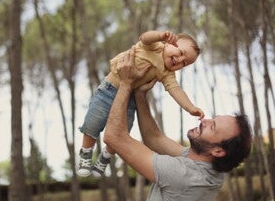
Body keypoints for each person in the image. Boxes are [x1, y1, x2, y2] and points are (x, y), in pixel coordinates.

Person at [103, 46, 252, 200]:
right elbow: (155, 140)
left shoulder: (185, 175)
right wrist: (140, 95)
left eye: (212, 127)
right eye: (212, 119)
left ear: (218, 151)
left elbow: (113, 137)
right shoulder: (209, 168)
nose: (204, 121)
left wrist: (126, 84)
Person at [77, 30, 205, 178]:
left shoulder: (167, 73)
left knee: (121, 132)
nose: (180, 60)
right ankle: (86, 153)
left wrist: (190, 107)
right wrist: (160, 35)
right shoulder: (156, 47)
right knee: (92, 123)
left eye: (184, 63)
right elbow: (144, 38)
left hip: (129, 100)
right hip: (108, 91)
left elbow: (175, 90)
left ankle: (105, 157)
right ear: (169, 42)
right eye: (181, 53)